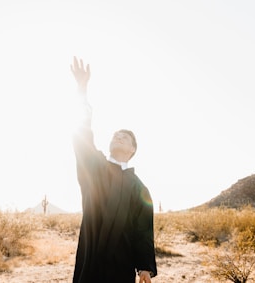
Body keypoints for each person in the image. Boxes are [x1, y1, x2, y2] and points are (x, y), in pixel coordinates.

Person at [70, 56, 157, 283]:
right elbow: (82, 136)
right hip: (90, 258)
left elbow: (143, 231)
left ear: (132, 149)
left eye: (125, 137)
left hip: (121, 264)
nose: (118, 136)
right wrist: (82, 89)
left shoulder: (139, 188)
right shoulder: (95, 166)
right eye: (115, 135)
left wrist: (145, 268)